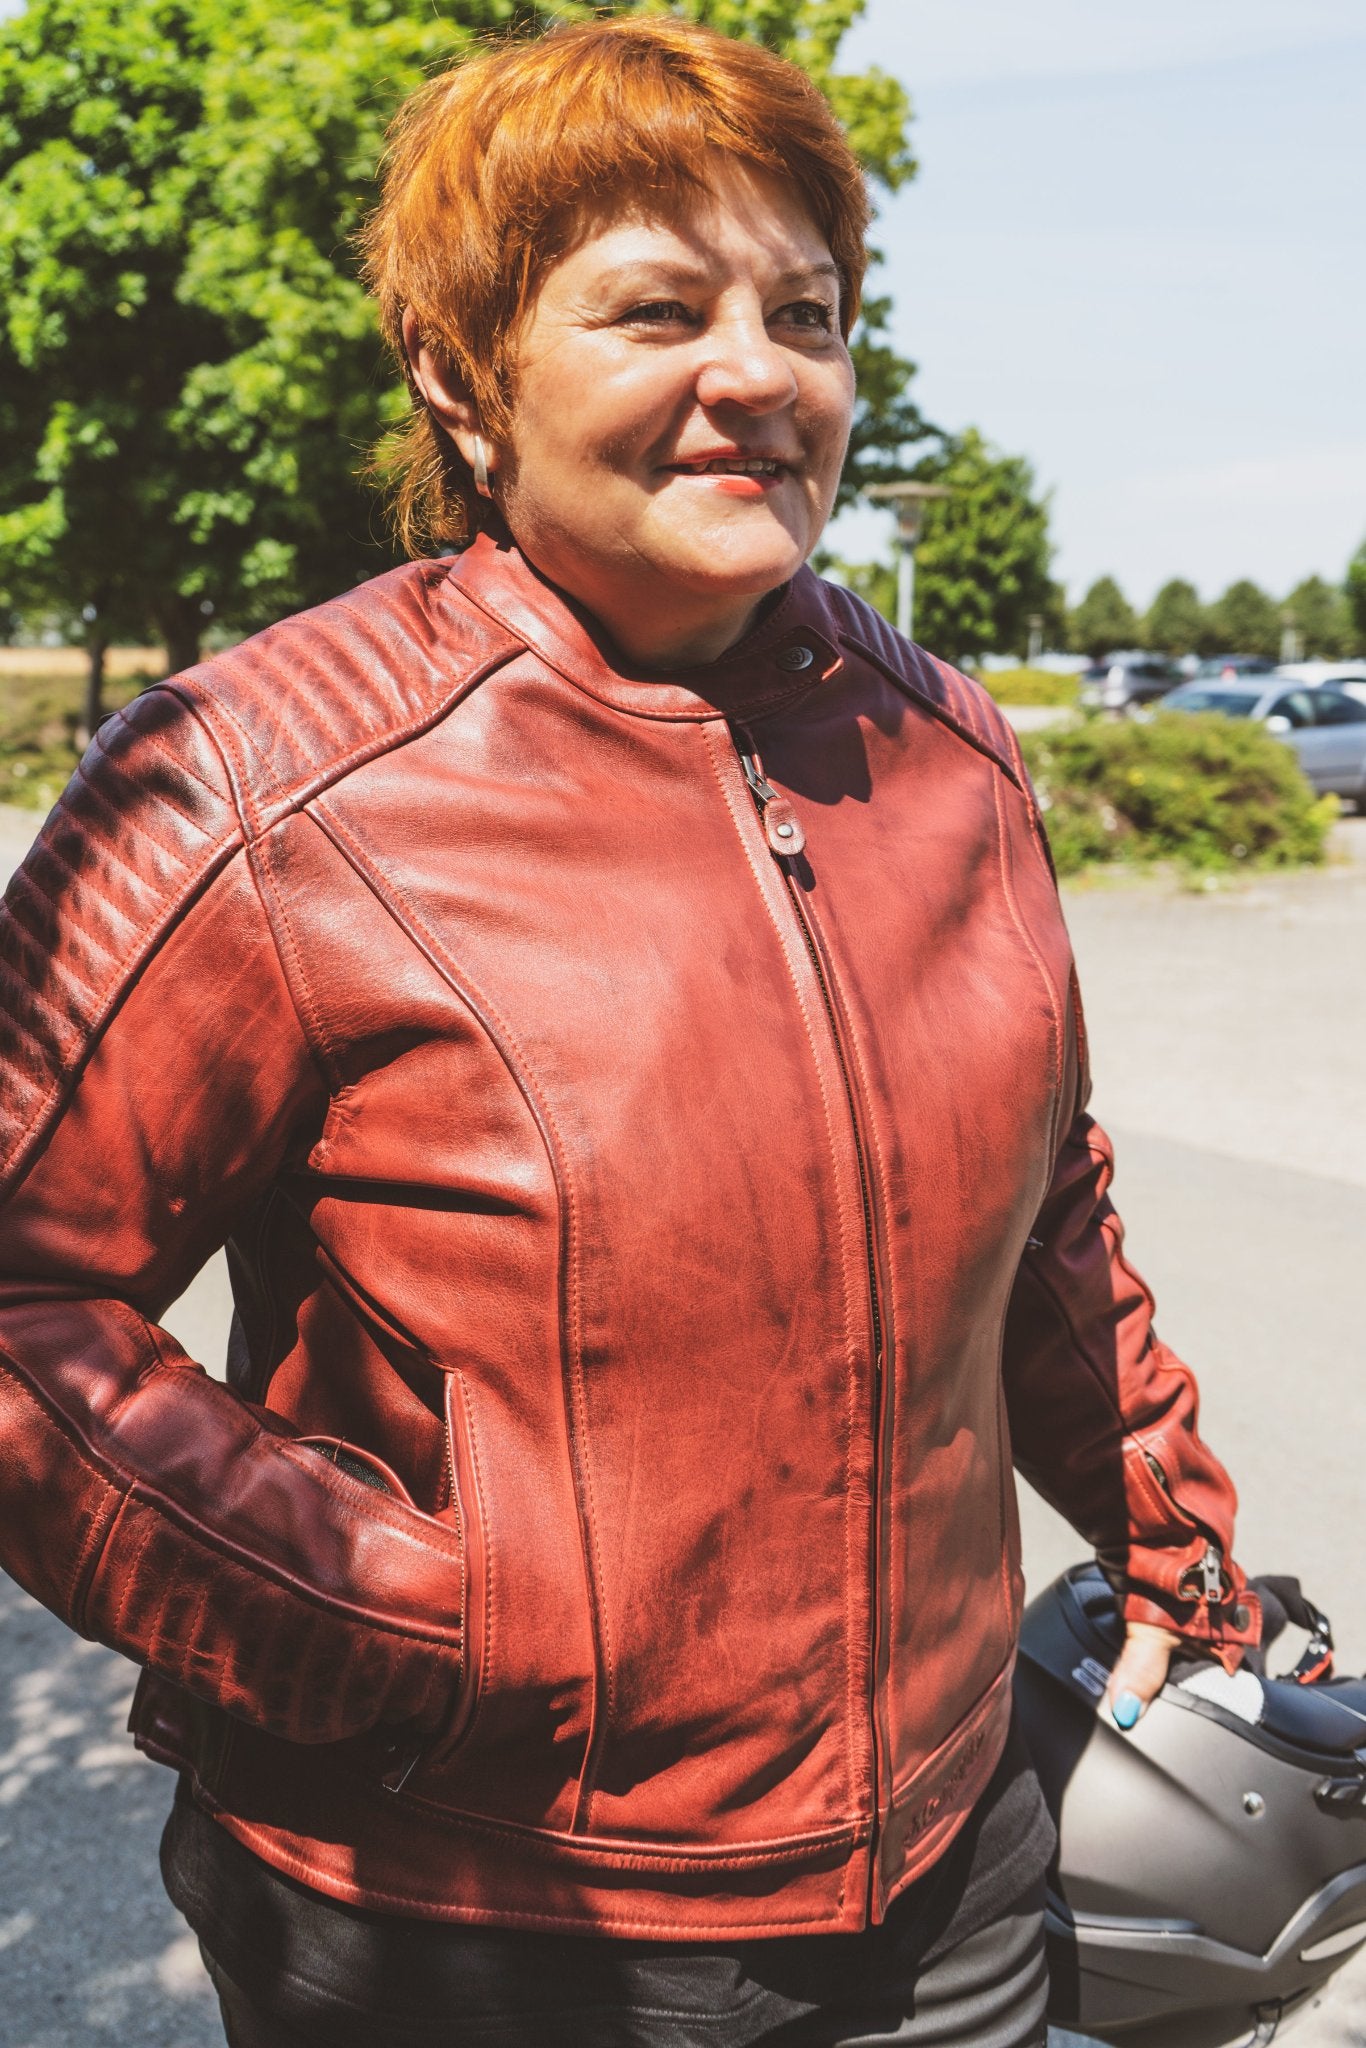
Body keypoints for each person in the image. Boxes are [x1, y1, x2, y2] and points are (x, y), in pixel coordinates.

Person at [0, 19, 1259, 2047]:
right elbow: (22, 1294)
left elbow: (1049, 1229)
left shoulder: (947, 758)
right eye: (657, 307)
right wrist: (367, 1619)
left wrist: (1184, 1573)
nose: (755, 372)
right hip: (462, 1919)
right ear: (462, 374)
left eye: (807, 312)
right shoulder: (259, 782)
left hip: (948, 1881)